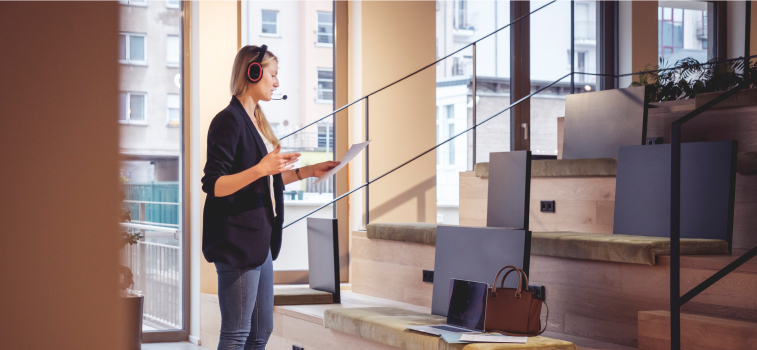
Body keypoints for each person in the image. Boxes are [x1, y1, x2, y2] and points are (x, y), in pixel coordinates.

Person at [201, 45, 339, 350]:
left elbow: (264, 180)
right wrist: (262, 167)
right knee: (237, 333)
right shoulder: (229, 120)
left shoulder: (256, 122)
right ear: (253, 72)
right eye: (273, 75)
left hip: (259, 241)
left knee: (261, 330)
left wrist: (309, 171)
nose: (276, 83)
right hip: (236, 242)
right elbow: (215, 184)